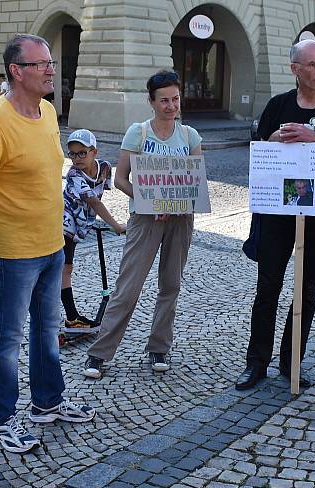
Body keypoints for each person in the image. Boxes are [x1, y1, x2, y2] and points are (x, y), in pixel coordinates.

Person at [0, 34, 96, 454]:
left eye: (50, 62)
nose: (51, 69)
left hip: (51, 243)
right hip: (13, 250)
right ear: (17, 71)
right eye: (41, 64)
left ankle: (47, 403)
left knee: (47, 329)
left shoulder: (49, 111)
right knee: (8, 337)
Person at [236, 39, 315, 390]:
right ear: (295, 69)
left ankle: (291, 363)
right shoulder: (278, 105)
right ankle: (256, 363)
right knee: (267, 288)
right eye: (312, 65)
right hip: (276, 212)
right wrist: (275, 138)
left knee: (306, 289)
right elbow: (260, 153)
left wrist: (310, 136)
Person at [83, 70, 202, 379]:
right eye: (164, 100)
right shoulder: (139, 132)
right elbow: (121, 179)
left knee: (171, 284)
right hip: (145, 218)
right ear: (151, 102)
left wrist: (174, 205)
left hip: (180, 219)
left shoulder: (190, 136)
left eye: (175, 99)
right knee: (128, 287)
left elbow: (193, 183)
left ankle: (159, 347)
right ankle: (99, 353)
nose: (171, 106)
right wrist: (152, 201)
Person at [61, 128, 126, 332]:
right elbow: (93, 201)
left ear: (94, 152)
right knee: (65, 269)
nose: (77, 158)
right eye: (72, 153)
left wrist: (92, 221)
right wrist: (115, 225)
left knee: (63, 269)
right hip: (63, 221)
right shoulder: (73, 174)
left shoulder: (105, 168)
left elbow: (99, 195)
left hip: (81, 223)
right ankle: (72, 318)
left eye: (82, 152)